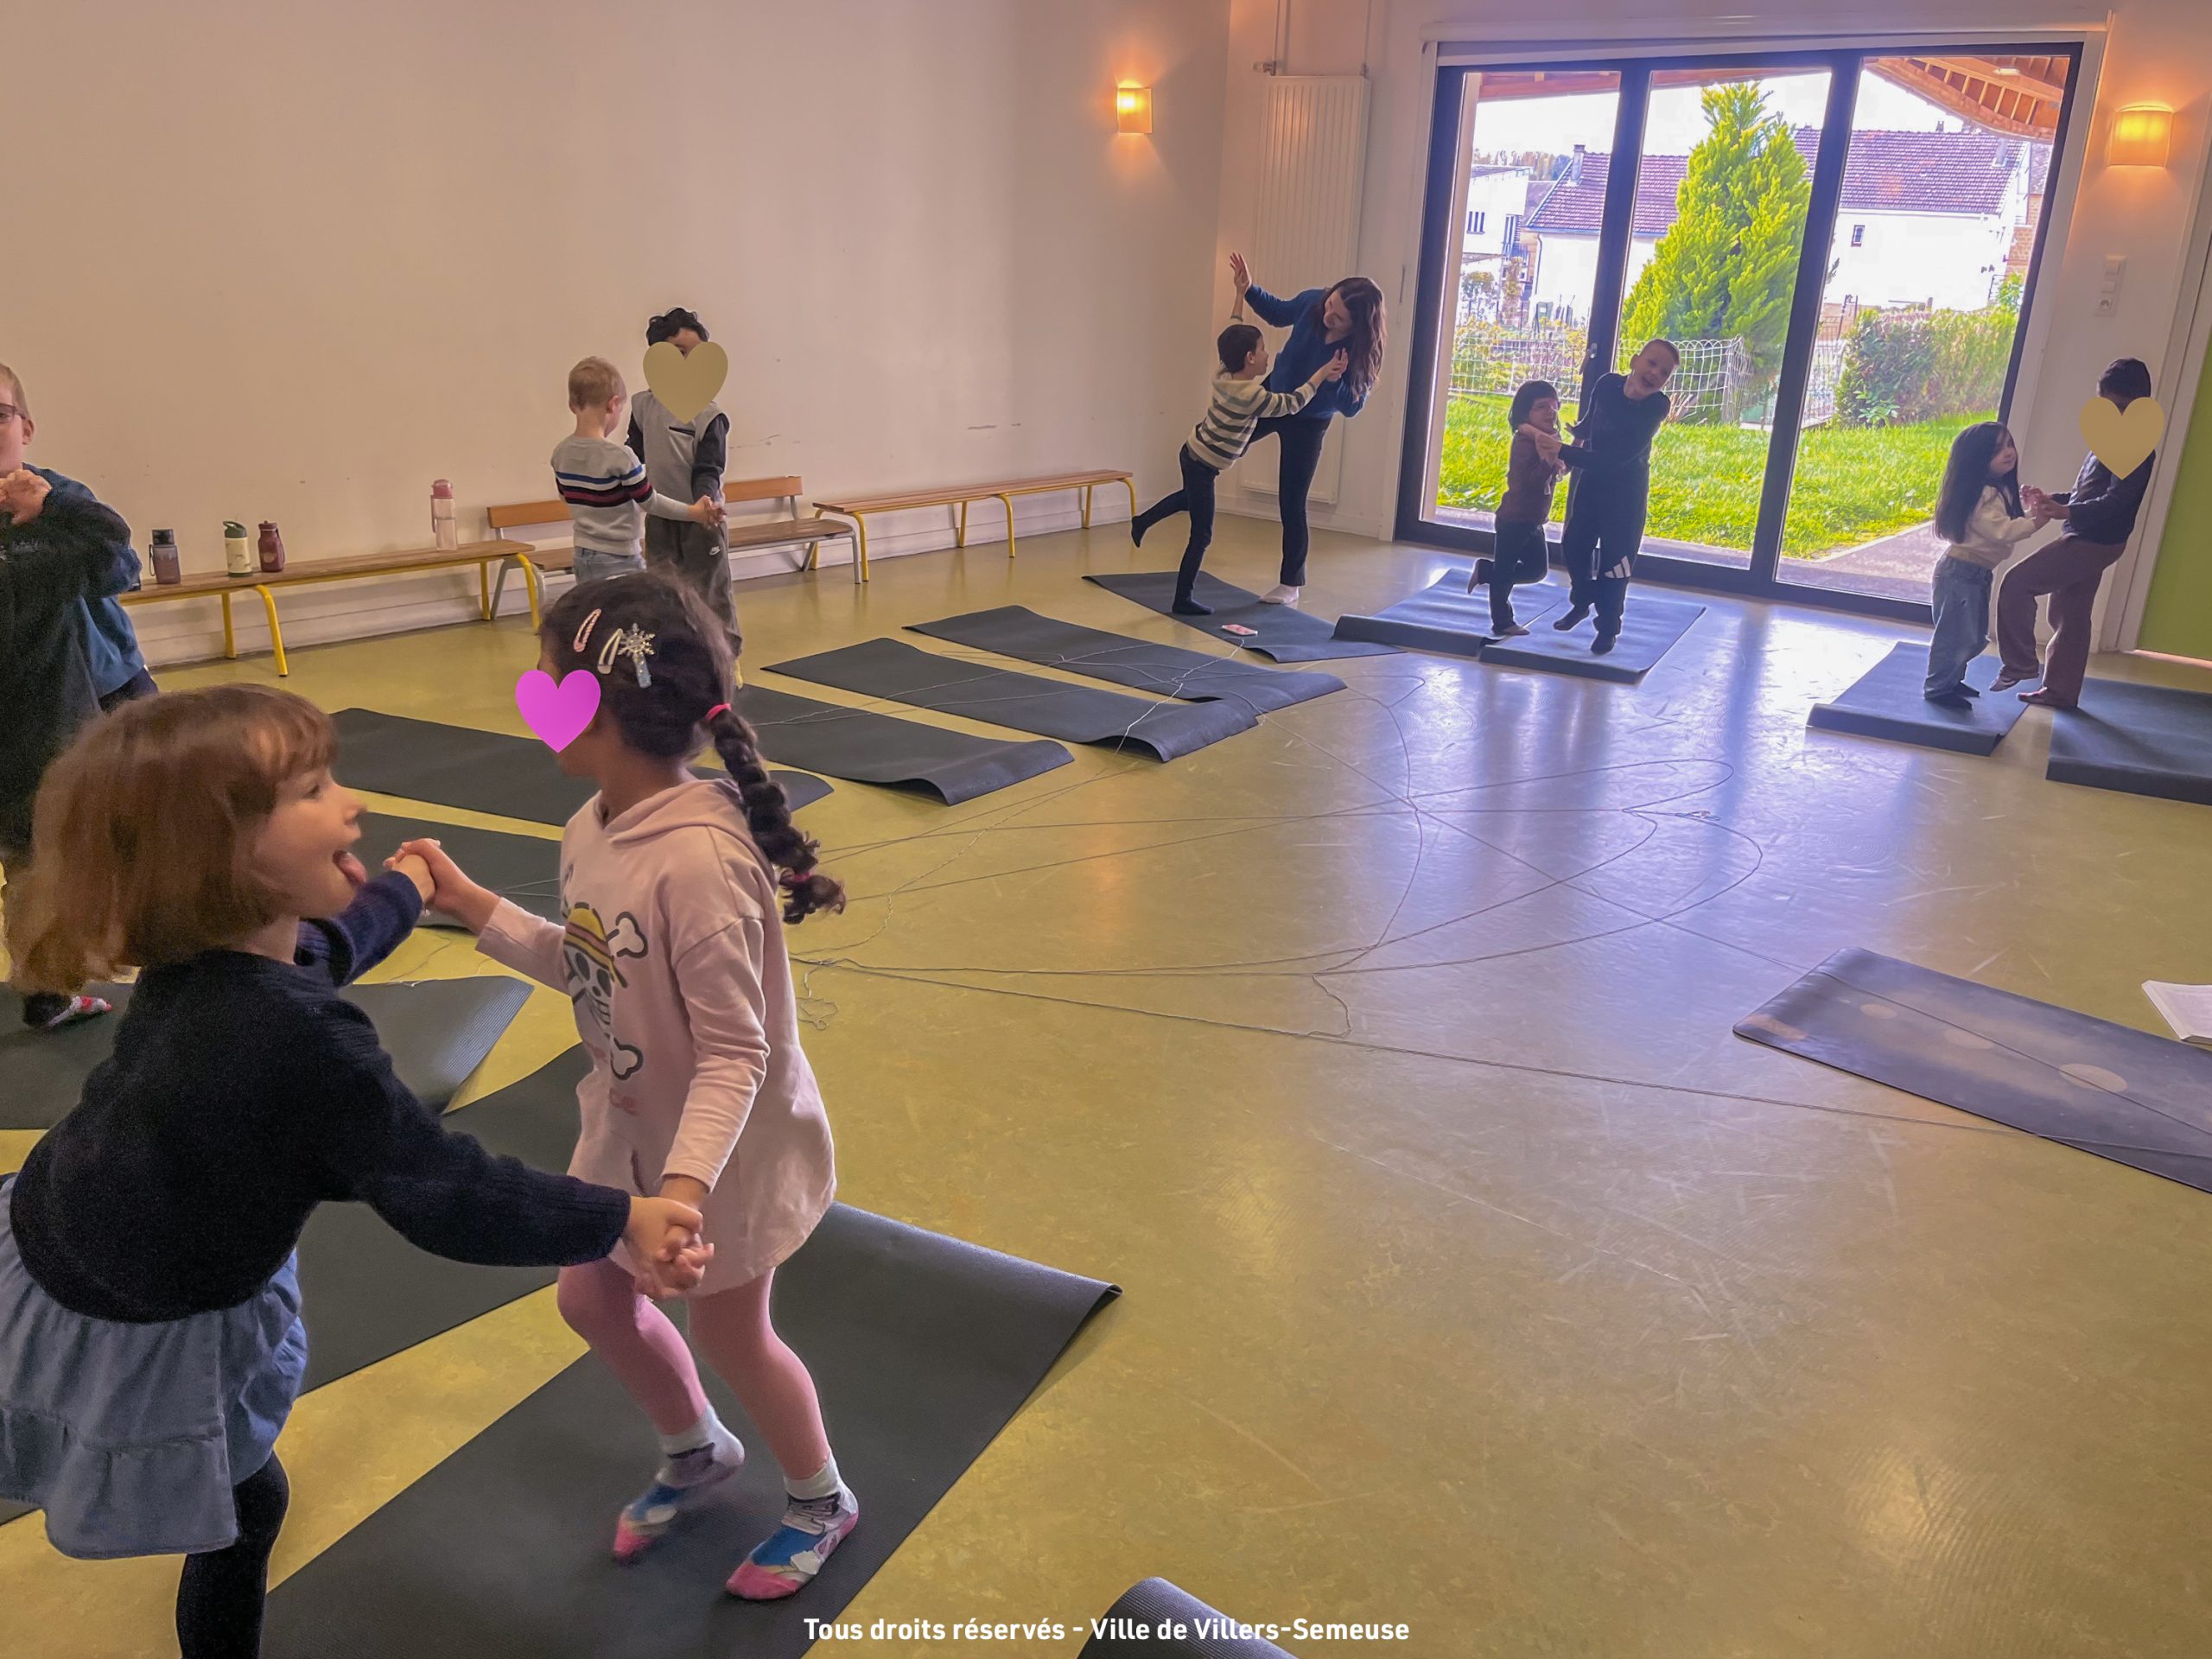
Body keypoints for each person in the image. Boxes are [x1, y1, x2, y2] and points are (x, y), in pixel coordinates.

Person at [0, 683, 707, 1659]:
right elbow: (447, 1193)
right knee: (246, 1508)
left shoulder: (204, 958)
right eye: (313, 792)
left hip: (63, 1217)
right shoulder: (302, 1044)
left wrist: (405, 891)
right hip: (132, 1293)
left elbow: (321, 953)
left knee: (234, 1492)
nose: (354, 802)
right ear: (221, 856)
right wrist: (619, 1217)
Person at [397, 572, 857, 1601]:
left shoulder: (696, 864)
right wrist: (472, 904)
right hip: (628, 1124)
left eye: (545, 677)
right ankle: (696, 1450)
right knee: (588, 1297)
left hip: (720, 1154)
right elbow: (591, 967)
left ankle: (822, 1498)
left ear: (596, 706)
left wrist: (680, 1201)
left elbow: (735, 1055)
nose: (533, 697)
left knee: (732, 1332)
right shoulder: (592, 827)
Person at [0, 360, 145, 1031]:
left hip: (111, 679)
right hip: (34, 705)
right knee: (34, 847)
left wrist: (48, 508)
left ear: (25, 427)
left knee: (167, 802)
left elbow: (120, 566)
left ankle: (176, 936)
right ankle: (47, 987)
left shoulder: (60, 493)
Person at [1128, 283, 1346, 615]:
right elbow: (1291, 404)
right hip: (1204, 464)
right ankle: (1182, 599)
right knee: (1202, 535)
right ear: (1250, 358)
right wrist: (1319, 376)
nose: (1268, 355)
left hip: (1192, 452)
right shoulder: (1253, 397)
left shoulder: (1223, 373)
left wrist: (1240, 294)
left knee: (1190, 499)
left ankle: (1142, 521)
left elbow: (1232, 329)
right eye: (1262, 350)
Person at [1994, 358, 2159, 709]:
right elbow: (2089, 493)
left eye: (2120, 407)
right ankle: (2061, 691)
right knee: (2070, 613)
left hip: (2095, 541)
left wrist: (2068, 512)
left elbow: (2118, 500)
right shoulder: (2108, 439)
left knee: (2018, 583)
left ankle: (2021, 664)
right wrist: (2054, 500)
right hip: (2088, 533)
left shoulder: (2137, 446)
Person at [1226, 253, 1387, 607]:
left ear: (1357, 326)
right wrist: (1249, 289)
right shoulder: (1314, 301)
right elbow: (1278, 312)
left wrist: (1334, 380)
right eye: (1330, 305)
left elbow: (1352, 407)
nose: (1328, 314)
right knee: (1220, 446)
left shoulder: (1361, 352)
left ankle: (1290, 584)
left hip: (1309, 422)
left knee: (1292, 501)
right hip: (1274, 397)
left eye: (1338, 317)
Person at [1545, 340, 1679, 656]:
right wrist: (1575, 439)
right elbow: (1591, 423)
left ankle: (1608, 628)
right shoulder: (1606, 384)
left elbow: (1613, 459)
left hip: (1625, 497)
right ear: (1634, 361)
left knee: (1615, 565)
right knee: (1574, 545)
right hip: (1592, 485)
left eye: (1664, 372)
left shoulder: (1655, 408)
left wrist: (1562, 452)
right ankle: (1582, 600)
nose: (1655, 373)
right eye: (1651, 363)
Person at [555, 356, 724, 588]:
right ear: (613, 404)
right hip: (619, 558)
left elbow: (566, 497)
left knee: (594, 607)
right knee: (631, 608)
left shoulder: (560, 453)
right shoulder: (621, 457)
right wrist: (694, 513)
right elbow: (650, 502)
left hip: (583, 556)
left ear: (572, 404)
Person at [628, 308, 741, 653]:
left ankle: (725, 658)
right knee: (662, 592)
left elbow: (709, 467)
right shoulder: (643, 406)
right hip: (661, 516)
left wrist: (704, 501)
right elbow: (632, 455)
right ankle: (675, 657)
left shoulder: (710, 415)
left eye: (695, 356)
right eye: (679, 354)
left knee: (710, 593)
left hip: (701, 518)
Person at [1924, 422, 2041, 707]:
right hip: (1960, 573)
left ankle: (1952, 680)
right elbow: (2002, 531)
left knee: (1974, 637)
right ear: (1977, 459)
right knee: (1956, 636)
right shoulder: (1983, 493)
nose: (2008, 453)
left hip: (1976, 573)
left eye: (2009, 445)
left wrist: (2030, 511)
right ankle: (1938, 688)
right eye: (1996, 450)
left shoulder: (1995, 490)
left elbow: (2001, 524)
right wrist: (2037, 520)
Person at [1470, 379, 1567, 635]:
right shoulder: (1525, 443)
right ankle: (1502, 622)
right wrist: (1548, 462)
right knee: (1505, 573)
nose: (1550, 412)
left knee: (1537, 570)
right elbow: (1529, 482)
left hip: (1534, 520)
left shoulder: (1549, 439)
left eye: (1554, 405)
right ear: (1525, 413)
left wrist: (1577, 442)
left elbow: (1563, 469)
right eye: (1541, 406)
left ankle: (1486, 571)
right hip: (1514, 519)